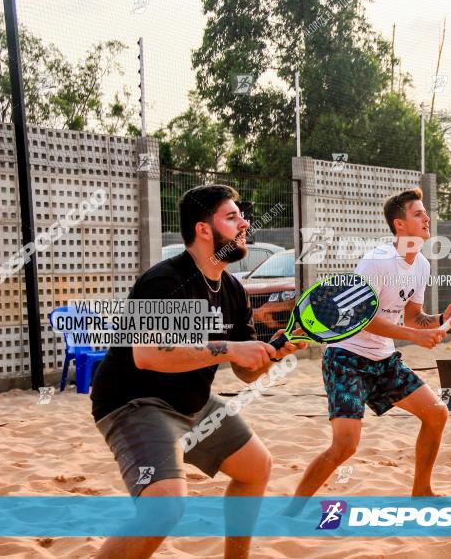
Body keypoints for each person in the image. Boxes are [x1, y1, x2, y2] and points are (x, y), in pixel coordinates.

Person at [90, 185, 305, 559]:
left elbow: (245, 375)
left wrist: (270, 356)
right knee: (165, 508)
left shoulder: (234, 290)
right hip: (136, 403)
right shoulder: (167, 281)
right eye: (232, 216)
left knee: (256, 468)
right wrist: (233, 348)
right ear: (204, 230)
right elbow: (149, 354)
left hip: (193, 403)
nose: (245, 223)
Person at [291, 187, 451, 501]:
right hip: (346, 359)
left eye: (425, 212)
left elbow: (414, 318)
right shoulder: (377, 262)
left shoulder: (421, 266)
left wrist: (443, 317)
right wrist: (416, 337)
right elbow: (358, 317)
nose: (427, 217)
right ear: (399, 225)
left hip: (384, 361)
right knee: (345, 446)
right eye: (418, 213)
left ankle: (422, 491)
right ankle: (292, 509)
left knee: (436, 414)